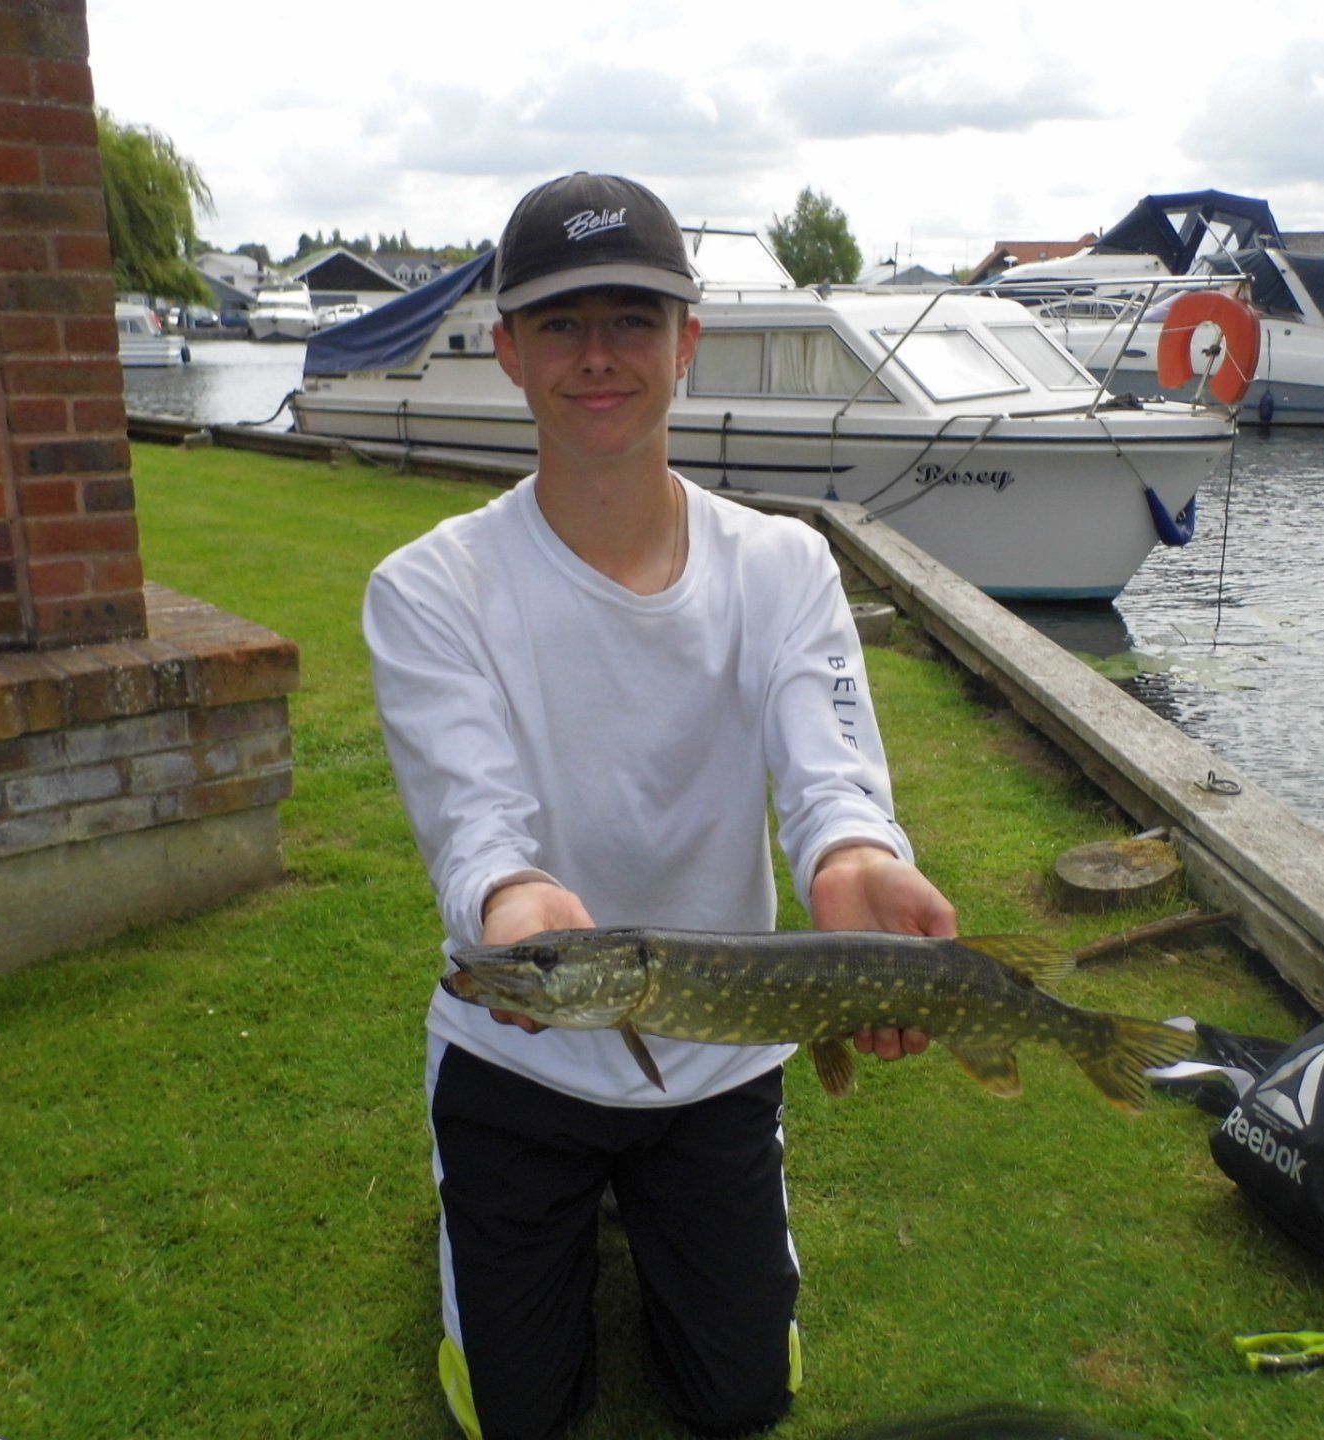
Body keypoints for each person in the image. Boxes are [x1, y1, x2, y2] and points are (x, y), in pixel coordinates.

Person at [363, 171, 956, 1440]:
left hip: (721, 1060)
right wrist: (523, 915)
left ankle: (652, 1206)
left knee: (741, 1402)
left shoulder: (786, 562)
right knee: (519, 1419)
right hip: (518, 1055)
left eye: (633, 318)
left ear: (687, 341)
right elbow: (478, 830)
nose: (598, 355)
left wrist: (855, 863)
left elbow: (829, 772)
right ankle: (474, 1181)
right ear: (508, 349)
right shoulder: (425, 589)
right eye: (562, 323)